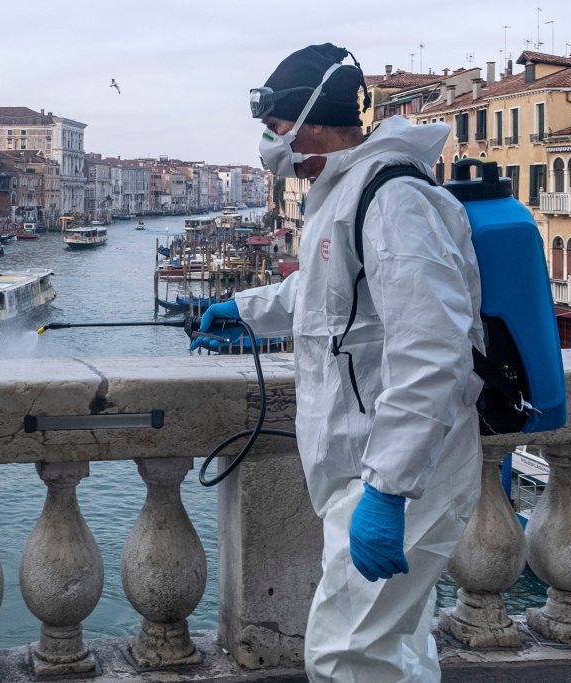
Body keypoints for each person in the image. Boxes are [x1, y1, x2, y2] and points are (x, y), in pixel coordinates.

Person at [194, 43, 484, 682]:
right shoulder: (347, 193)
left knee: (345, 655)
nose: (272, 150)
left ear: (310, 122)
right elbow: (323, 293)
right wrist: (245, 309)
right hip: (368, 469)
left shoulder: (394, 198)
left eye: (275, 133)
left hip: (398, 475)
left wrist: (387, 490)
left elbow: (433, 350)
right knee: (395, 648)